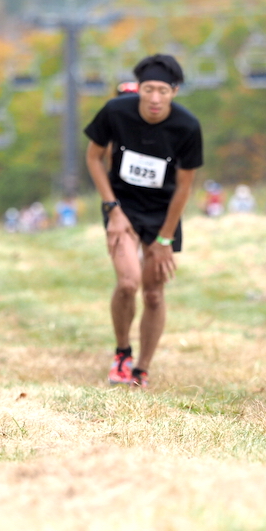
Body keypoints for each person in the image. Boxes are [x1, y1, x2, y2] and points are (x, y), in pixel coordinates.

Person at [84, 54, 203, 389]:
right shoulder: (115, 112)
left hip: (163, 212)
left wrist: (165, 239)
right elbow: (93, 156)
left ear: (174, 91)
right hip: (123, 206)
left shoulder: (187, 127)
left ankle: (142, 368)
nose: (154, 98)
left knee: (153, 294)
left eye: (162, 91)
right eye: (148, 89)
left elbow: (184, 186)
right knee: (127, 283)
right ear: (138, 88)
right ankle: (122, 352)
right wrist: (112, 209)